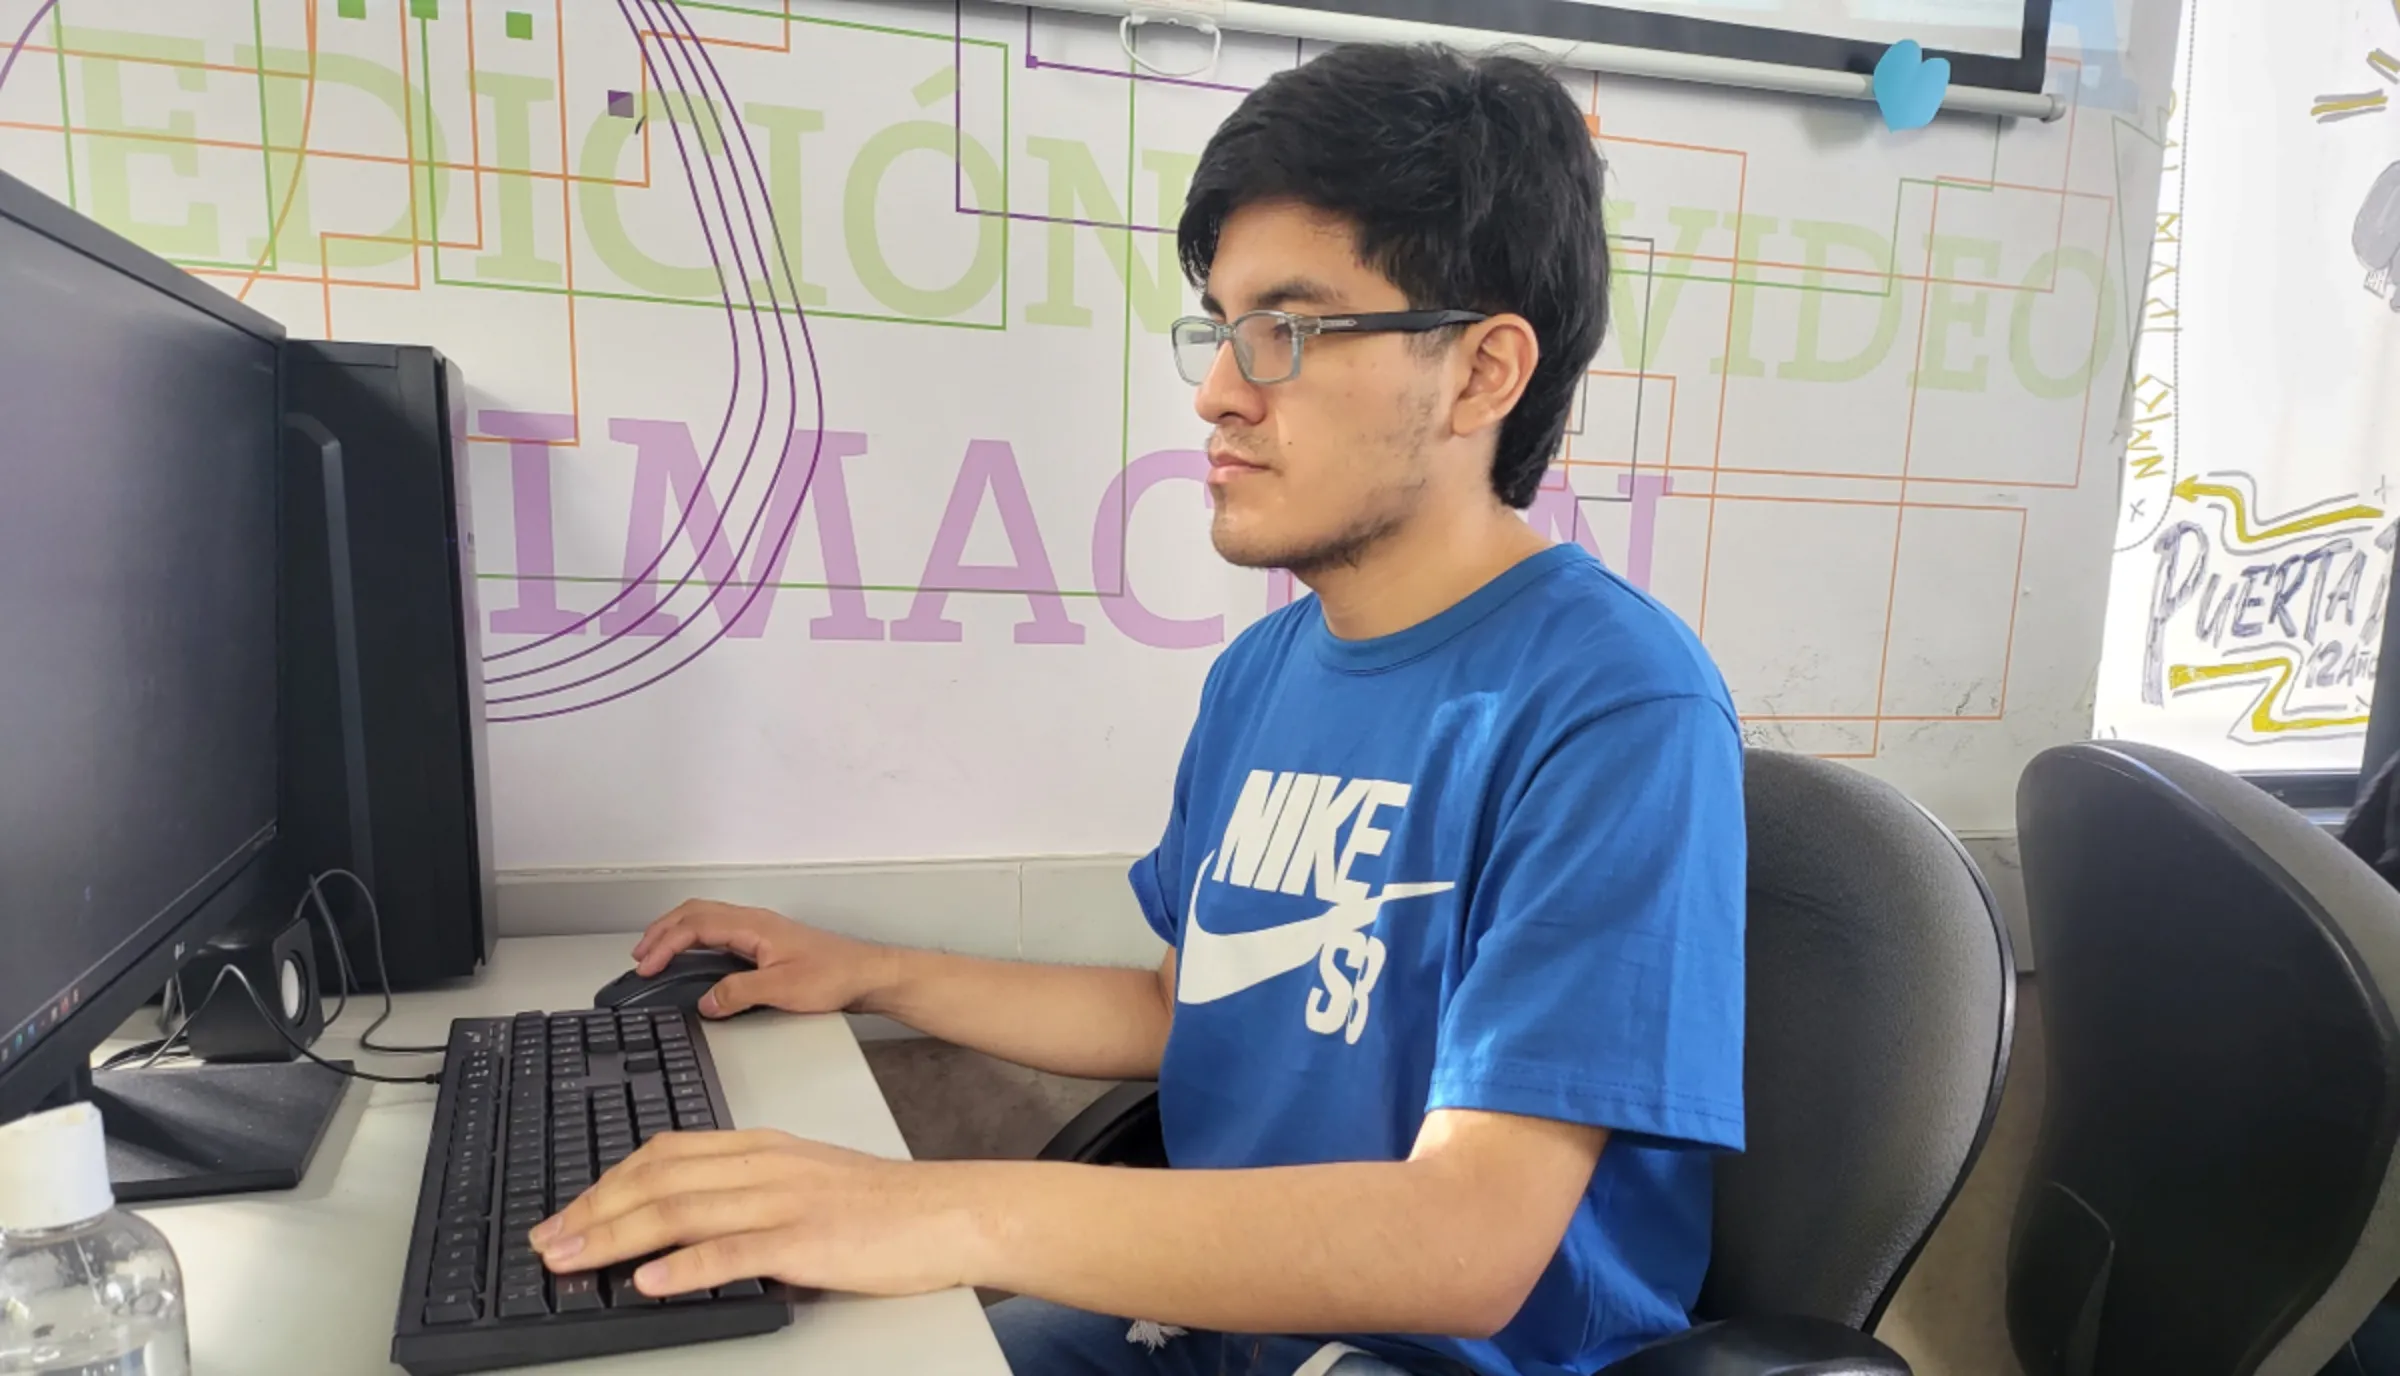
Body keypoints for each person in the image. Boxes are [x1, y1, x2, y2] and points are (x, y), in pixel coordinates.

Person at [531, 42, 1747, 1376]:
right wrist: (870, 970)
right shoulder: (1266, 673)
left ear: (1479, 375)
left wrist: (934, 1207)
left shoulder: (1615, 705)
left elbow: (1467, 1241)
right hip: (1221, 1325)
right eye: (1221, 328)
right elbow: (1185, 1009)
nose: (1220, 388)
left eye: (1286, 329)